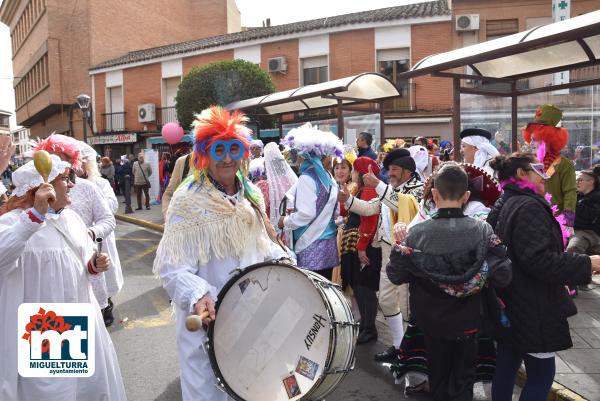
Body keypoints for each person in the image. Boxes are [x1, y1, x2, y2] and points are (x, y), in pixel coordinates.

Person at [153, 106, 290, 401]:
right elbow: (171, 267)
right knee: (209, 394)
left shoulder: (251, 195)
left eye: (233, 149)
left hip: (250, 321)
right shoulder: (186, 201)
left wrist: (283, 265)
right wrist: (198, 294)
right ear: (204, 154)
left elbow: (261, 246)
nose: (227, 158)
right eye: (219, 150)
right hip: (207, 325)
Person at [0, 155, 127, 401]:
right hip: (43, 327)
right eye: (64, 179)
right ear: (42, 188)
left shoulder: (71, 218)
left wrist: (93, 265)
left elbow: (81, 260)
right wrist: (34, 216)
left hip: (79, 319)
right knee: (54, 391)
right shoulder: (13, 222)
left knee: (86, 389)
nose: (71, 184)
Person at [387, 162, 512, 401]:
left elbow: (396, 274)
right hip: (469, 320)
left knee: (439, 378)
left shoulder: (417, 234)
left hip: (430, 321)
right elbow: (504, 274)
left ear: (434, 194)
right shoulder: (483, 231)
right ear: (466, 196)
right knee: (464, 380)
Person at [486, 153, 600, 401]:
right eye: (538, 169)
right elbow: (539, 261)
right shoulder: (529, 206)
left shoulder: (506, 200)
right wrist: (586, 264)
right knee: (541, 374)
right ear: (520, 174)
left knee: (506, 365)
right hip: (532, 305)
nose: (544, 175)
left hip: (510, 301)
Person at [339, 148, 423, 363]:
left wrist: (377, 184)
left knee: (407, 306)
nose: (390, 173)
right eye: (390, 169)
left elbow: (401, 203)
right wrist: (348, 199)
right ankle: (398, 345)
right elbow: (369, 208)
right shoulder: (389, 188)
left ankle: (409, 352)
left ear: (407, 171)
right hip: (388, 252)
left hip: (409, 255)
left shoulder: (418, 189)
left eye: (395, 169)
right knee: (386, 301)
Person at [278, 123, 342, 280]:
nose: (297, 157)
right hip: (328, 244)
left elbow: (306, 214)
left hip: (310, 244)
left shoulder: (308, 177)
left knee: (310, 295)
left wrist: (284, 221)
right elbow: (335, 211)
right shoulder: (329, 177)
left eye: (299, 154)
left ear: (307, 155)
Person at [78, 142, 124, 327]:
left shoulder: (100, 183)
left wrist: (96, 202)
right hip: (76, 240)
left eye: (83, 162)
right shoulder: (68, 185)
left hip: (99, 238)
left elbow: (112, 206)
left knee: (104, 271)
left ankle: (106, 306)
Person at [340, 157, 382, 344]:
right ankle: (365, 324)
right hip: (356, 244)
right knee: (359, 287)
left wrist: (362, 248)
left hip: (362, 246)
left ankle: (369, 328)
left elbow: (369, 220)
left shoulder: (369, 190)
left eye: (355, 170)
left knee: (365, 289)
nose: (353, 173)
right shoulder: (362, 189)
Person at [522, 104, 576, 229]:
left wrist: (568, 222)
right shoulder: (528, 163)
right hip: (530, 218)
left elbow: (570, 192)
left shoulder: (564, 165)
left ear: (548, 138)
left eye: (535, 139)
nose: (531, 143)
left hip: (555, 221)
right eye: (531, 138)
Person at [567, 165, 600, 256]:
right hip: (572, 229)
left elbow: (591, 216)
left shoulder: (597, 196)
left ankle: (579, 269)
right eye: (576, 180)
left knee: (573, 248)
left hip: (588, 232)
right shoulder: (578, 195)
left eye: (580, 180)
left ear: (591, 182)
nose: (577, 182)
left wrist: (575, 203)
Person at [162, 150, 192, 216]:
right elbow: (169, 194)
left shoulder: (218, 163)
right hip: (185, 221)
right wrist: (168, 217)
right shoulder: (183, 161)